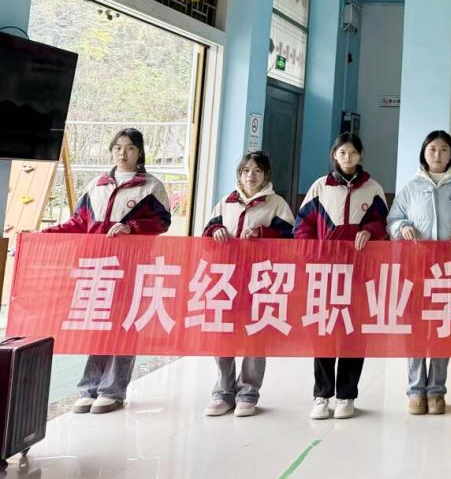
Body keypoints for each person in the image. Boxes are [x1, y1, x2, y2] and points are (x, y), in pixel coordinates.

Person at [45, 128, 171, 415]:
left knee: (124, 325)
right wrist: (43, 235)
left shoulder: (151, 186)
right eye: (117, 147)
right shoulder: (96, 185)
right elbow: (79, 223)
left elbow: (162, 222)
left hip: (131, 267)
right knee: (99, 325)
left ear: (140, 153)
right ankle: (89, 387)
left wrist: (132, 227)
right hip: (98, 267)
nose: (122, 153)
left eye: (129, 148)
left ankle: (113, 390)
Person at [294, 133, 388, 420]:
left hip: (359, 274)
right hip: (325, 275)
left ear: (361, 155)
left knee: (353, 334)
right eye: (342, 152)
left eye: (353, 152)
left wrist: (369, 231)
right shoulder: (319, 188)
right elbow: (302, 227)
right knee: (323, 333)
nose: (347, 157)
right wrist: (314, 255)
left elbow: (384, 224)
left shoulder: (373, 189)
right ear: (334, 155)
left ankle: (347, 395)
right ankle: (322, 395)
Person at [387, 130, 451, 416]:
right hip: (416, 270)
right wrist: (402, 227)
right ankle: (416, 390)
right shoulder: (410, 187)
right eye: (432, 150)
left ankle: (437, 390)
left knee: (442, 329)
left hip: (448, 271)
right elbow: (393, 219)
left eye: (443, 150)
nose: (438, 155)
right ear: (424, 153)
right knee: (415, 329)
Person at [202, 150, 294, 418]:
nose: (250, 176)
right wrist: (215, 231)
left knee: (255, 334)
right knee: (223, 333)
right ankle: (223, 390)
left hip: (261, 279)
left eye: (257, 171)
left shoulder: (276, 204)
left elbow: (290, 238)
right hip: (227, 278)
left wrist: (263, 234)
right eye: (245, 171)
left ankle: (248, 392)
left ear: (266, 175)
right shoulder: (227, 202)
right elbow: (207, 230)